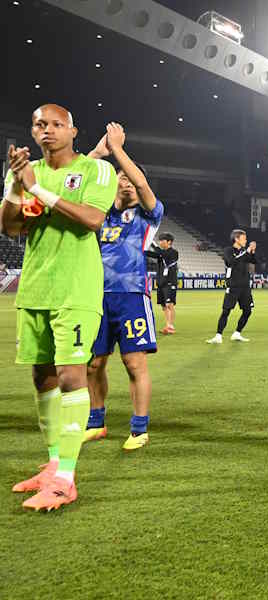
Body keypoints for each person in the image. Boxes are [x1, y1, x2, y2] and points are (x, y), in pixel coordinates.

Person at [1, 104, 117, 510]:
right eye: (39, 124)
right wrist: (16, 186)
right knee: (43, 377)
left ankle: (67, 478)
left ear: (72, 131)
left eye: (55, 124)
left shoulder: (95, 171)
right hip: (35, 288)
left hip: (75, 289)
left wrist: (36, 188)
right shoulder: (27, 171)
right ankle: (52, 466)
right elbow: (11, 226)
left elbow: (91, 219)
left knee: (72, 376)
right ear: (32, 132)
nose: (46, 130)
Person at [82, 123, 162, 450]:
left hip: (131, 297)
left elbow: (141, 182)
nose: (126, 179)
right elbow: (78, 178)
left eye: (130, 175)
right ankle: (96, 422)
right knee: (93, 364)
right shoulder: (99, 215)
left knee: (134, 363)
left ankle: (139, 428)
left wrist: (118, 150)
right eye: (121, 175)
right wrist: (100, 153)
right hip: (95, 297)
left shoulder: (148, 215)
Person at [207, 230, 256, 343]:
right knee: (226, 311)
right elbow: (231, 262)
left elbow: (253, 261)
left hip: (245, 287)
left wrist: (252, 252)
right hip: (233, 286)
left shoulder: (244, 251)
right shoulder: (228, 250)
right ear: (236, 239)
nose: (246, 240)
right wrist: (247, 252)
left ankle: (237, 333)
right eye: (244, 238)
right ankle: (218, 336)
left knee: (248, 311)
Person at [146, 232, 178, 334]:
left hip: (169, 282)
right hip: (161, 283)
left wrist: (152, 243)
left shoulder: (173, 252)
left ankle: (171, 326)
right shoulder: (161, 254)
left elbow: (162, 254)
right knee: (164, 306)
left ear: (169, 242)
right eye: (159, 240)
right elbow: (152, 254)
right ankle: (167, 325)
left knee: (170, 304)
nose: (160, 242)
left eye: (162, 240)